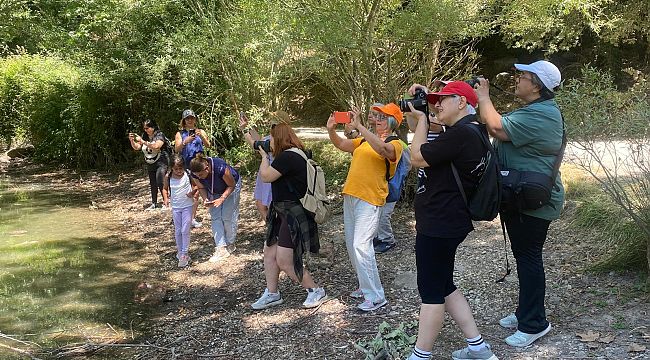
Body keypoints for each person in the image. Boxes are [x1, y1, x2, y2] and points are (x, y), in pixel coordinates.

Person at [406, 81, 498, 360]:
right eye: (434, 101)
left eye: (443, 99)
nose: (437, 105)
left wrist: (422, 117)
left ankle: (421, 355)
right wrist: (422, 104)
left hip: (439, 223)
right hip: (451, 220)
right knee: (445, 285)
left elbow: (417, 156)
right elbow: (421, 132)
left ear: (461, 102)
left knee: (432, 292)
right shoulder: (472, 130)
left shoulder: (460, 135)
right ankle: (478, 348)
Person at [474, 60, 564, 347]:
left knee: (528, 258)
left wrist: (484, 97)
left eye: (522, 76)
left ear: (536, 85)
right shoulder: (535, 111)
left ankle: (535, 322)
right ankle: (525, 310)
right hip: (522, 196)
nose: (517, 80)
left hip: (534, 200)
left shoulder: (543, 115)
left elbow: (498, 128)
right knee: (524, 255)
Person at [326, 103, 404, 311]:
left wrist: (360, 126)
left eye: (382, 117)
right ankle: (365, 285)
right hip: (351, 195)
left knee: (362, 245)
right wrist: (331, 130)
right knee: (353, 245)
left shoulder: (395, 143)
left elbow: (382, 149)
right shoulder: (363, 140)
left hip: (370, 198)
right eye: (376, 116)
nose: (377, 119)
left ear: (391, 122)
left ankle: (376, 296)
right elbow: (342, 145)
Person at [250, 123, 327, 310]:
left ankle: (316, 290)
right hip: (281, 211)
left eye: (271, 138)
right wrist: (248, 132)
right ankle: (272, 293)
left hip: (293, 213)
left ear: (278, 138)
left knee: (284, 260)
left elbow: (266, 176)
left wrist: (263, 157)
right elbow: (255, 144)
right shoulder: (292, 152)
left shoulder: (288, 156)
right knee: (269, 252)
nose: (269, 143)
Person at [239, 111, 291, 222]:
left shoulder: (276, 141)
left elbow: (255, 144)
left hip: (270, 172)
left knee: (265, 205)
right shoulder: (285, 138)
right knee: (264, 204)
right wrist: (249, 127)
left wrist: (244, 130)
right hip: (271, 171)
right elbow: (260, 141)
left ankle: (273, 231)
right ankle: (274, 230)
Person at [189, 153, 241, 262]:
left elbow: (231, 185)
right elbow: (201, 187)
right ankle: (221, 247)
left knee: (227, 217)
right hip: (212, 190)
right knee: (216, 218)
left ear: (207, 168)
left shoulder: (220, 167)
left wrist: (222, 198)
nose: (199, 177)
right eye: (196, 175)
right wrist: (205, 199)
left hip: (230, 188)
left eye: (201, 175)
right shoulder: (195, 174)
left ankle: (230, 243)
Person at [175, 109, 211, 228]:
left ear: (195, 119)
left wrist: (202, 137)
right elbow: (177, 149)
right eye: (187, 118)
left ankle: (192, 218)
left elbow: (208, 145)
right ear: (184, 121)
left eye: (192, 118)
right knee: (186, 191)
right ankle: (185, 216)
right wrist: (185, 142)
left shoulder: (200, 131)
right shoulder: (180, 134)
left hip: (199, 164)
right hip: (186, 165)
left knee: (197, 189)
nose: (190, 120)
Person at [128, 119, 171, 210]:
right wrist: (132, 141)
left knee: (161, 181)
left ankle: (166, 202)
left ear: (153, 127)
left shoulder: (159, 135)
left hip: (162, 161)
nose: (145, 130)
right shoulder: (145, 136)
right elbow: (137, 147)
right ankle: (154, 203)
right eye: (144, 128)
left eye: (147, 128)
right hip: (150, 162)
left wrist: (143, 141)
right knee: (153, 183)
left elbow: (156, 146)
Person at [162, 155, 196, 268]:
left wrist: (192, 193)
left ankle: (185, 253)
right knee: (178, 230)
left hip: (187, 205)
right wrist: (166, 199)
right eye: (176, 169)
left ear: (183, 167)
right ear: (171, 168)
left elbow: (196, 186)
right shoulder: (168, 176)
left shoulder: (188, 174)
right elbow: (164, 189)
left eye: (180, 169)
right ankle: (180, 251)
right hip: (176, 207)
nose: (178, 171)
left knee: (185, 229)